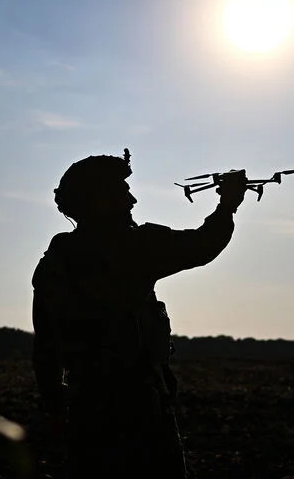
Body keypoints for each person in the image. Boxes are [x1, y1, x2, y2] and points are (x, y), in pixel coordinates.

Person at [31, 149, 246, 479]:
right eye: (122, 192)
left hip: (87, 414)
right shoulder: (134, 247)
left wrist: (59, 409)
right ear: (100, 200)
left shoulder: (55, 262)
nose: (132, 199)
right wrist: (228, 204)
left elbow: (45, 349)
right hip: (139, 414)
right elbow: (204, 245)